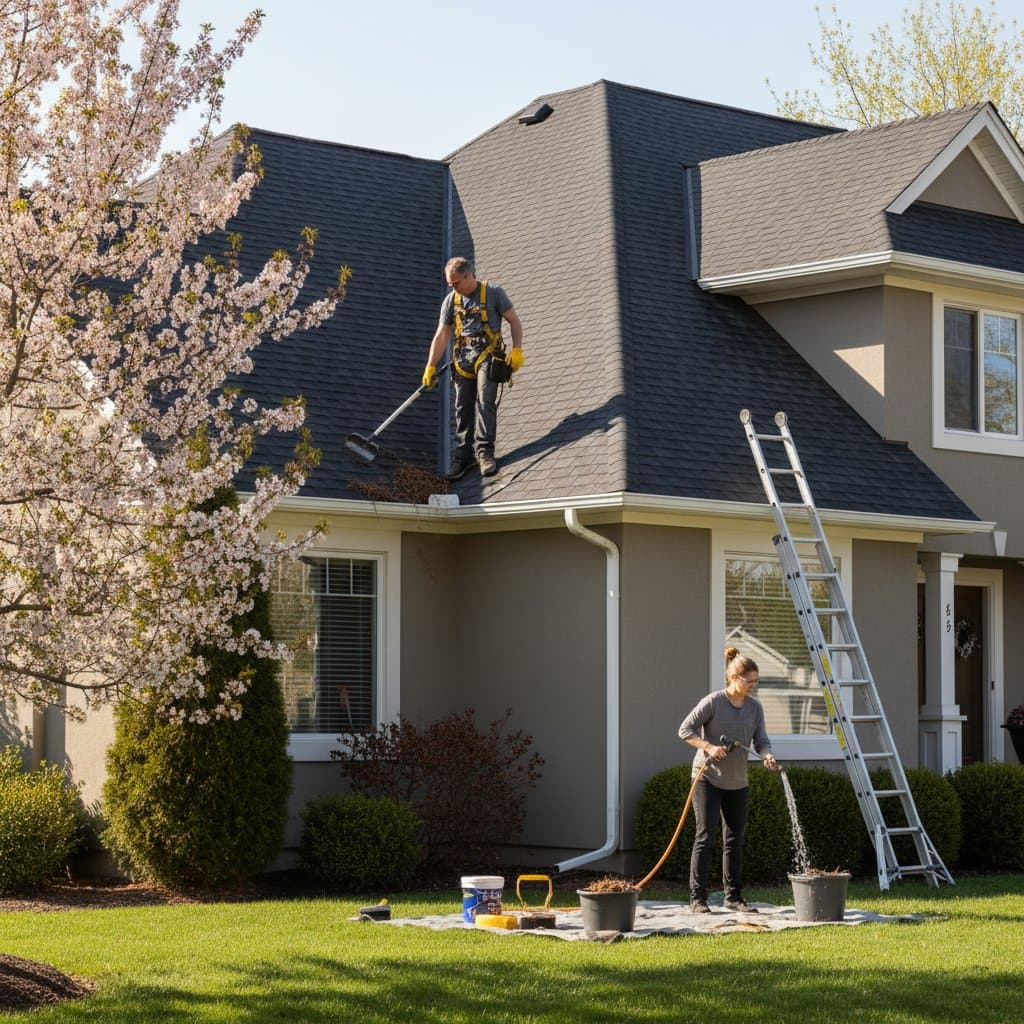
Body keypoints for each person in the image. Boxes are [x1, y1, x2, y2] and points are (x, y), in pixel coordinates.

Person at [678, 646, 780, 914]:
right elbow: (685, 729)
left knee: (734, 838)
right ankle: (697, 899)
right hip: (707, 777)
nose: (753, 687)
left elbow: (762, 741)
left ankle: (733, 897)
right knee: (706, 835)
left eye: (756, 682)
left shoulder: (755, 708)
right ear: (734, 678)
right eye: (750, 681)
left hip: (737, 781)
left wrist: (768, 756)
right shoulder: (713, 702)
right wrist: (708, 747)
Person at [421, 257, 524, 479]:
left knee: (485, 400)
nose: (453, 286)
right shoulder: (451, 301)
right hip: (463, 358)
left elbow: (514, 321)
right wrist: (430, 366)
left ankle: (485, 451)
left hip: (488, 354)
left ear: (469, 276)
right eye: (450, 283)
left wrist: (517, 350)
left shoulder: (494, 293)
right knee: (462, 406)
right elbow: (441, 335)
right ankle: (463, 456)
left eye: (456, 282)